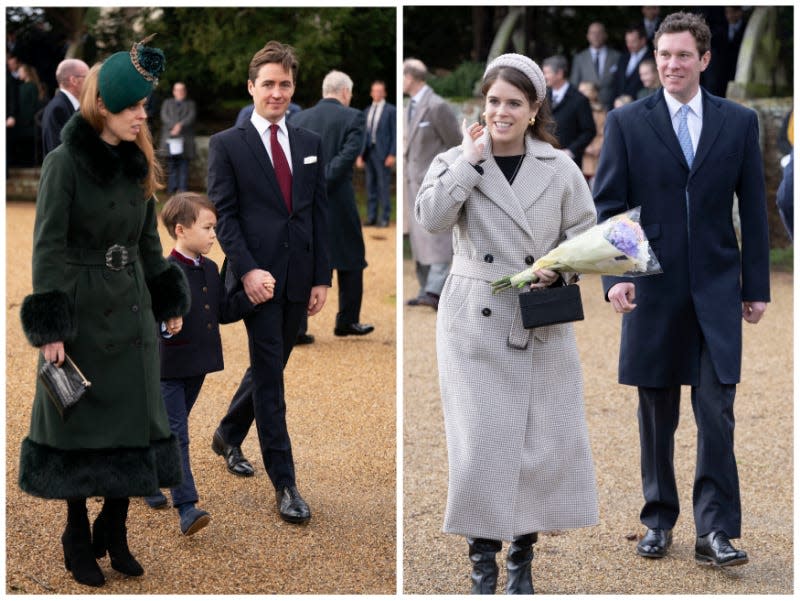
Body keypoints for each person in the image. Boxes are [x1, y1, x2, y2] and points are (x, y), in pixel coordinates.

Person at [415, 53, 599, 595]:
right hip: (474, 320)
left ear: (534, 107)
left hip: (540, 322)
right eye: (494, 100)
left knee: (537, 445)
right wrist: (469, 162)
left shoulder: (560, 167)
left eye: (514, 103)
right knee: (479, 446)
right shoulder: (455, 158)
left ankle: (522, 557)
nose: (501, 111)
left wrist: (558, 271)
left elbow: (585, 237)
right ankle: (482, 562)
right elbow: (429, 221)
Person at [593, 11, 770, 567]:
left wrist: (756, 285)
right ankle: (657, 519)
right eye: (664, 55)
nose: (672, 64)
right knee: (656, 414)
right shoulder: (626, 123)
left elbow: (756, 212)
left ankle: (715, 531)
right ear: (654, 58)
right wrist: (617, 277)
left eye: (683, 55)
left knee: (717, 412)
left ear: (705, 59)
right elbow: (610, 206)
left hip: (717, 289)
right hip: (653, 288)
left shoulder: (739, 122)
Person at [17, 37, 189, 587]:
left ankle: (114, 527)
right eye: (134, 106)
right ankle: (75, 533)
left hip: (133, 304)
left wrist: (167, 298)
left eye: (145, 105)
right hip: (83, 308)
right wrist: (52, 327)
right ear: (102, 107)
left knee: (132, 420)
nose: (144, 115)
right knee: (81, 423)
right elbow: (47, 247)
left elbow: (147, 242)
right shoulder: (63, 163)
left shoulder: (140, 159)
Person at [207, 40, 330, 525]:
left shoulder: (310, 143)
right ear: (251, 88)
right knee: (272, 381)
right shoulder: (226, 145)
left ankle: (227, 433)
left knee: (269, 366)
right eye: (268, 84)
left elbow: (317, 214)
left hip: (300, 280)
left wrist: (322, 276)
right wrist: (250, 269)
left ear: (293, 88)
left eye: (284, 84)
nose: (276, 92)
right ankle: (286, 484)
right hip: (255, 280)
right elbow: (226, 217)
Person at [144, 192, 266, 534]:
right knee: (177, 435)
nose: (214, 234)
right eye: (208, 227)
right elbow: (146, 314)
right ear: (181, 230)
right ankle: (186, 506)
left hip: (197, 365)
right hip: (167, 367)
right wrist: (165, 318)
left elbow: (224, 311)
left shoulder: (211, 268)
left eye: (215, 227)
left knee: (166, 430)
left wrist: (253, 296)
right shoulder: (164, 272)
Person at [292, 70, 374, 338]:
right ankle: (347, 321)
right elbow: (349, 155)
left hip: (304, 199)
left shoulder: (299, 118)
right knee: (351, 258)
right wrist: (324, 180)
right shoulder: (354, 116)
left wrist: (311, 184)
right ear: (345, 92)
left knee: (305, 257)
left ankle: (297, 327)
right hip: (339, 199)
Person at [403, 57, 461, 310]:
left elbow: (456, 143)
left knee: (437, 236)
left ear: (411, 77)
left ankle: (435, 290)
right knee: (419, 237)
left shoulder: (437, 106)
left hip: (433, 183)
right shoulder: (410, 106)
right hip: (410, 184)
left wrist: (444, 176)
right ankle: (425, 287)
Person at [542, 55, 596, 166]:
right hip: (544, 159)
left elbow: (589, 131)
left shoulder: (580, 99)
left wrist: (571, 151)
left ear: (560, 74)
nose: (544, 76)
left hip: (570, 163)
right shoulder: (543, 97)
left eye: (547, 73)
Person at [357, 79, 396, 227]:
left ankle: (385, 217)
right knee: (370, 186)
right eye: (375, 91)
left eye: (380, 91)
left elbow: (395, 133)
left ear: (384, 93)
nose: (377, 93)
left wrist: (392, 154)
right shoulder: (366, 111)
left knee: (383, 186)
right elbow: (363, 135)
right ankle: (372, 217)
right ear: (371, 93)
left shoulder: (391, 110)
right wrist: (360, 155)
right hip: (368, 153)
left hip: (384, 154)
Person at [41, 58, 89, 156]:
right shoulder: (57, 109)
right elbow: (57, 153)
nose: (90, 82)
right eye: (87, 77)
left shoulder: (67, 105)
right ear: (74, 80)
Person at [569, 22, 622, 110]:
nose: (596, 36)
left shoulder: (617, 56)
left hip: (611, 107)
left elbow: (620, 83)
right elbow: (574, 85)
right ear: (588, 36)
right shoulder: (579, 58)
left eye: (599, 33)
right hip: (587, 108)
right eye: (592, 33)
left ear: (605, 35)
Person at [159, 81, 197, 193]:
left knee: (184, 165)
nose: (180, 92)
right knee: (171, 165)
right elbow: (164, 116)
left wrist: (180, 125)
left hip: (185, 140)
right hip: (170, 138)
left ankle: (182, 189)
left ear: (185, 91)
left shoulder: (191, 104)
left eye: (182, 90)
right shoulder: (167, 103)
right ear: (173, 92)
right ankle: (171, 189)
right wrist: (173, 126)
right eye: (177, 90)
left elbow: (191, 117)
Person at [14, 63, 47, 166]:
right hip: (27, 122)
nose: (18, 73)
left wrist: (24, 120)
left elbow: (31, 105)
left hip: (27, 123)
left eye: (20, 71)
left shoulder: (29, 87)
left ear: (26, 73)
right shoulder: (27, 86)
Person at [577, 81, 606, 186]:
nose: (580, 93)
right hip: (581, 155)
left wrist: (597, 147)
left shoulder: (601, 112)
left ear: (593, 93)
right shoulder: (576, 111)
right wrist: (584, 147)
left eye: (584, 91)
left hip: (596, 156)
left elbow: (604, 132)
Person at [612, 24, 649, 102]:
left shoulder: (653, 58)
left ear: (643, 41)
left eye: (633, 41)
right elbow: (617, 83)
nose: (629, 45)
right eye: (627, 41)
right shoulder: (623, 57)